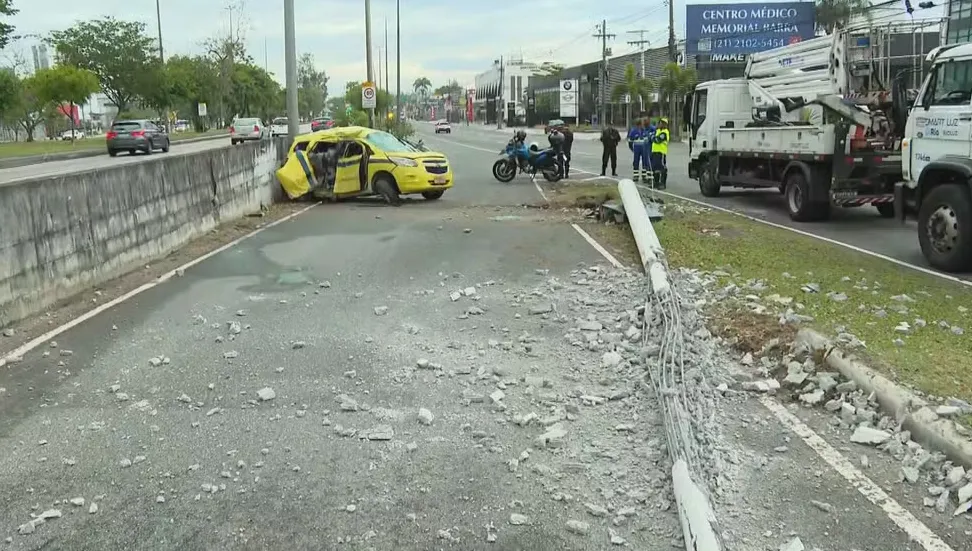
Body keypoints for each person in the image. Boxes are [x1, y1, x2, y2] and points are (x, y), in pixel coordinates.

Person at [650, 117, 670, 190]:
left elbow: (657, 140)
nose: (660, 124)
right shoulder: (657, 131)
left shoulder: (665, 132)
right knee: (655, 168)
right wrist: (652, 137)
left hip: (661, 152)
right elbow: (651, 137)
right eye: (660, 122)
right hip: (654, 152)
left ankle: (662, 183)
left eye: (662, 123)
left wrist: (652, 137)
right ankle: (656, 182)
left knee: (662, 167)